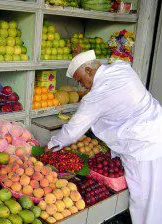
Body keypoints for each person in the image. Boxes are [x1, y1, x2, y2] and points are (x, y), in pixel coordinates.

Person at [45, 50, 162, 224]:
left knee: (145, 201)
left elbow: (72, 131)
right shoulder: (121, 68)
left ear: (89, 71)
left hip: (142, 146)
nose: (81, 86)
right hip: (154, 129)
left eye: (79, 80)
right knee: (155, 194)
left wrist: (51, 146)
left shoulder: (97, 95)